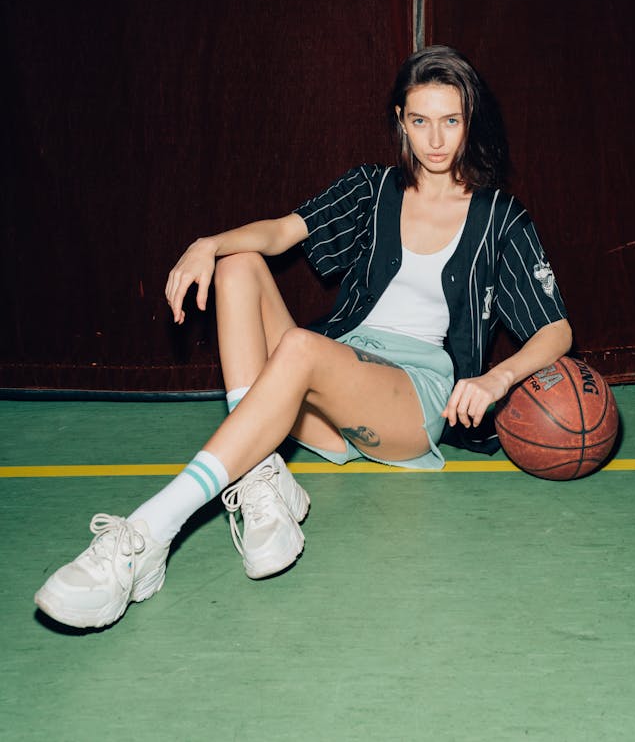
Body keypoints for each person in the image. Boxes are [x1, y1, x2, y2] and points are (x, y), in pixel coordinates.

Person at [34, 45, 571, 629]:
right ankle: (262, 477)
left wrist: (498, 377)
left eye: (451, 120)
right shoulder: (373, 190)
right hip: (332, 373)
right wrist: (209, 244)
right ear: (400, 121)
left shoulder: (499, 217)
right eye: (420, 121)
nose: (436, 139)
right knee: (239, 264)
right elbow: (282, 231)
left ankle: (146, 536)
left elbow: (556, 328)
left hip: (411, 398)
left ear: (471, 120)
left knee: (301, 348)